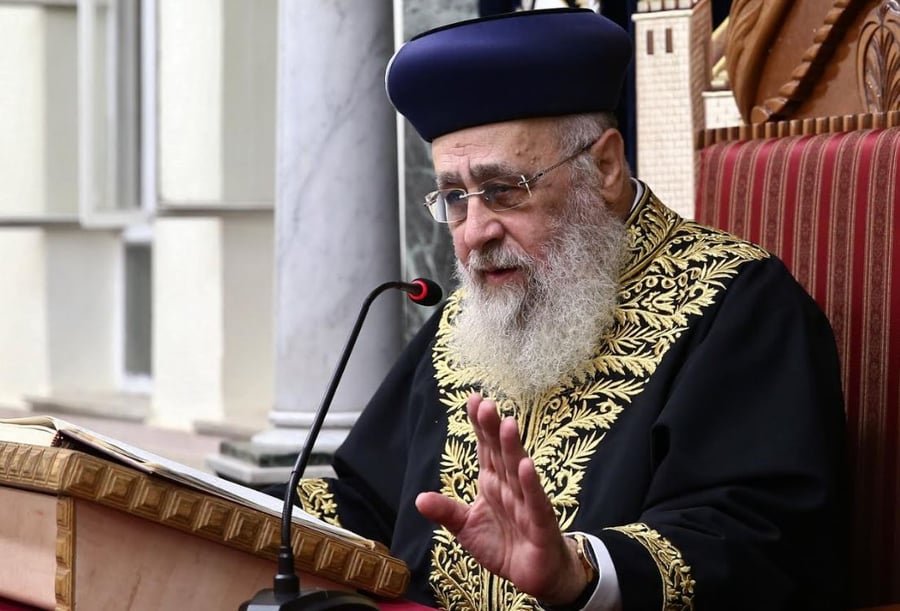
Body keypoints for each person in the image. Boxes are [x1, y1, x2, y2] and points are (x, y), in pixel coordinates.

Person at [296, 8, 847, 610]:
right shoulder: (468, 320)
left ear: (605, 166)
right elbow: (370, 504)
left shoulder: (736, 303)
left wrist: (579, 571)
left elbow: (754, 540)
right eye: (454, 197)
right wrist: (248, 516)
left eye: (503, 189)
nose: (474, 232)